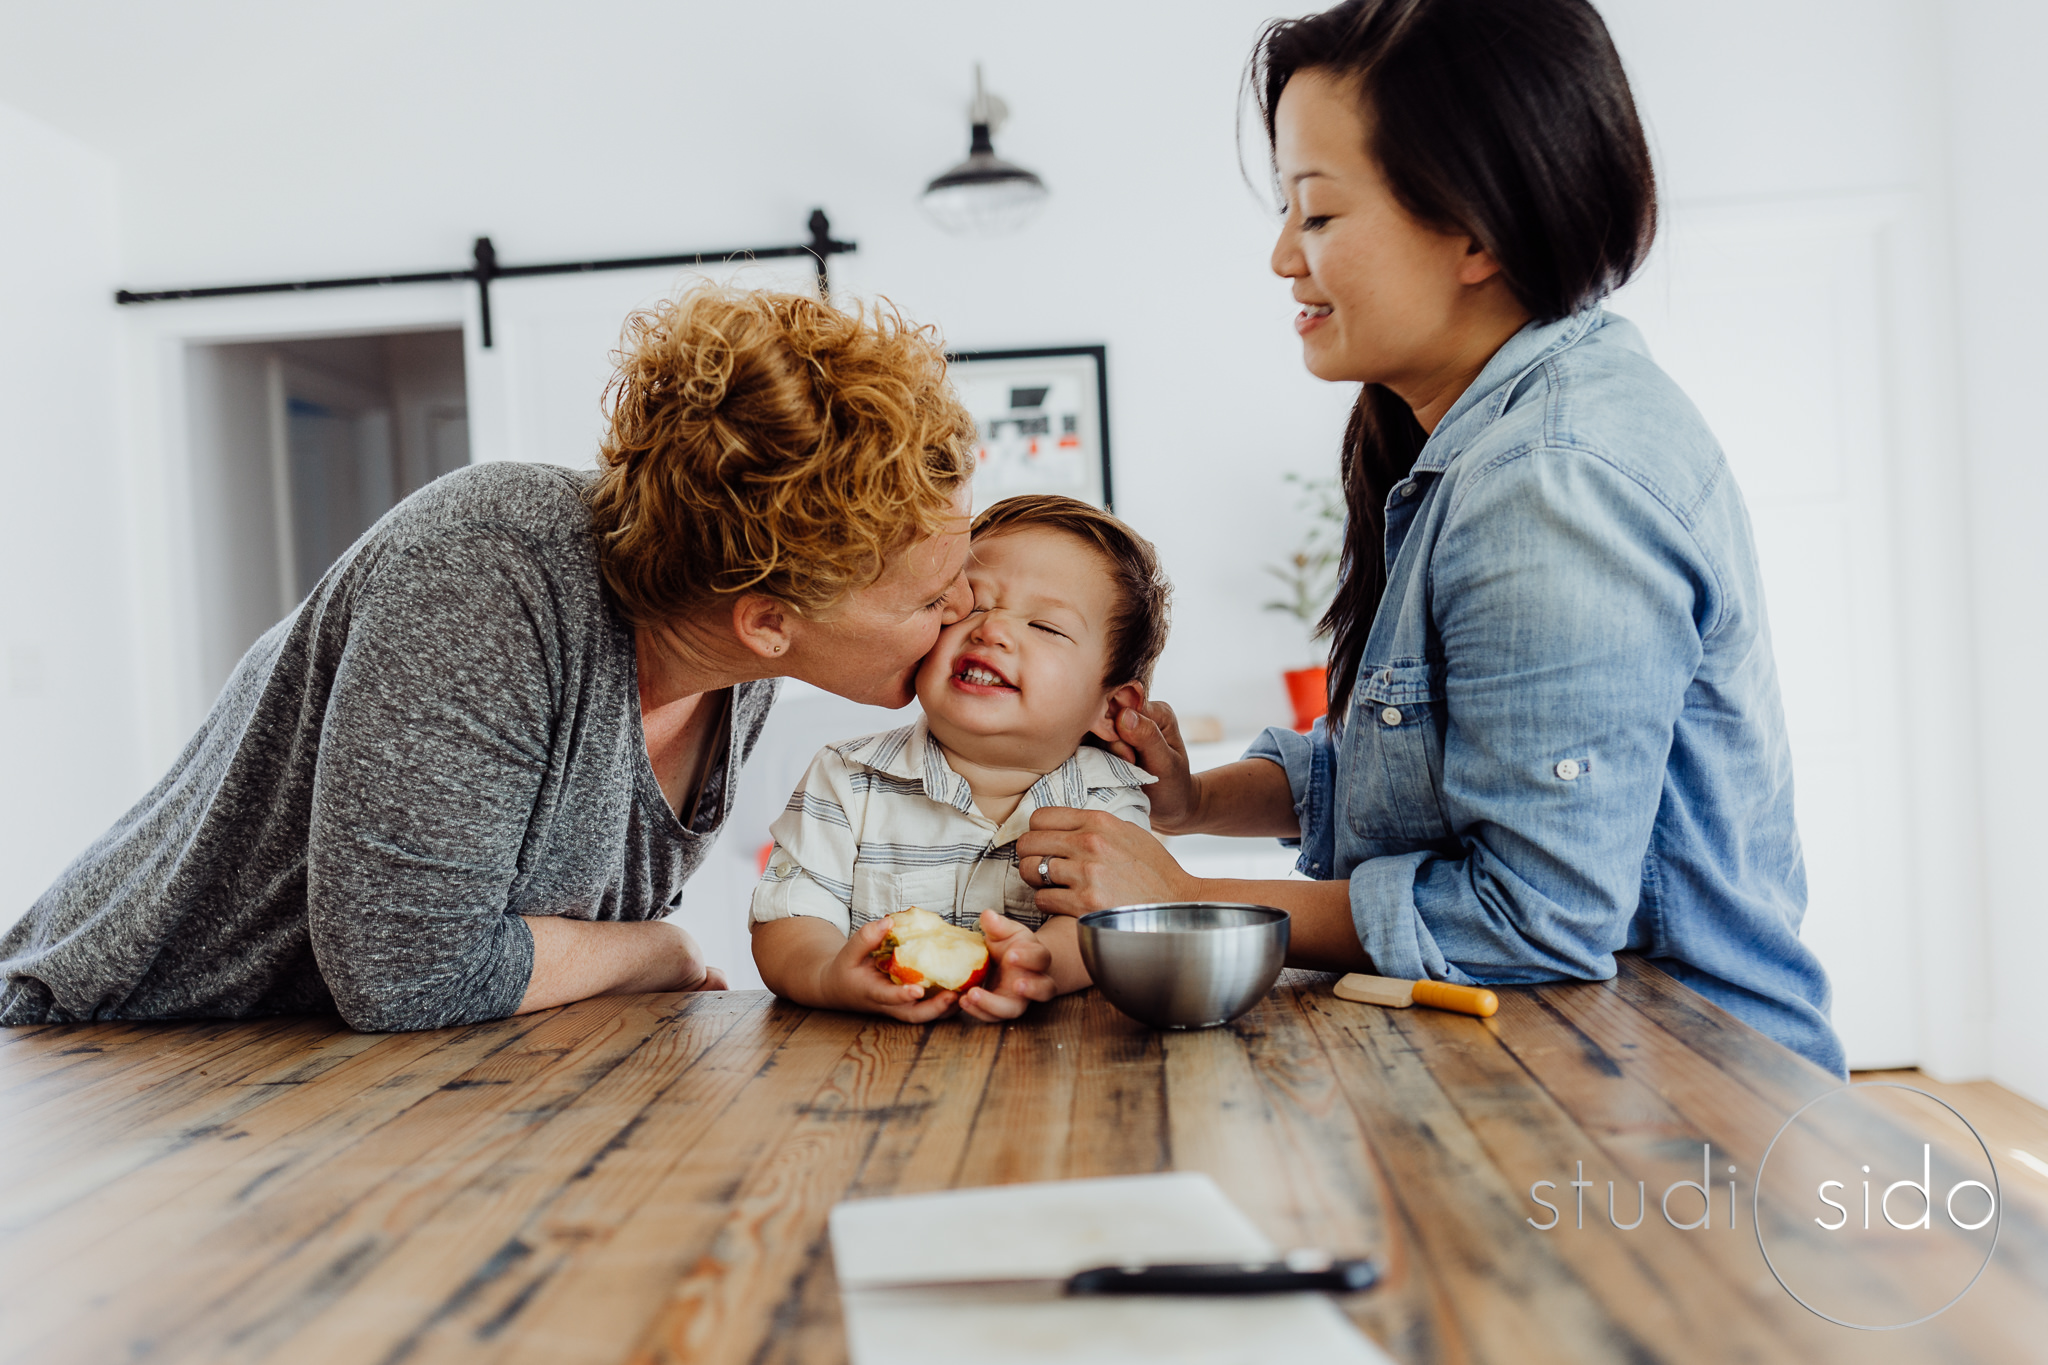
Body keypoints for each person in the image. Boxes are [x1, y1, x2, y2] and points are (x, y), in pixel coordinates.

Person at [1017, 0, 1846, 1076]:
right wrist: (1193, 802)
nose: (1280, 257)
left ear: (1476, 231)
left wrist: (1182, 898)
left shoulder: (1554, 484)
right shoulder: (1473, 442)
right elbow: (1425, 782)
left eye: (1313, 216)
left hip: (1676, 1103)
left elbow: (1530, 916)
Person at [0, 286, 980, 1032]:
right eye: (935, 600)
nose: (964, 613)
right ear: (767, 617)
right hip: (110, 1047)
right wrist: (662, 948)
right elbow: (411, 976)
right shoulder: (483, 576)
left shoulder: (739, 657)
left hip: (321, 1073)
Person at [749, 495, 1171, 1022]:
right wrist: (827, 976)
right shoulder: (847, 777)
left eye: (1045, 626)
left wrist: (1040, 964)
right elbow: (786, 916)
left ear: (1112, 709)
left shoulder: (1107, 800)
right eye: (972, 604)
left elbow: (1107, 917)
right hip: (866, 1070)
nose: (990, 630)